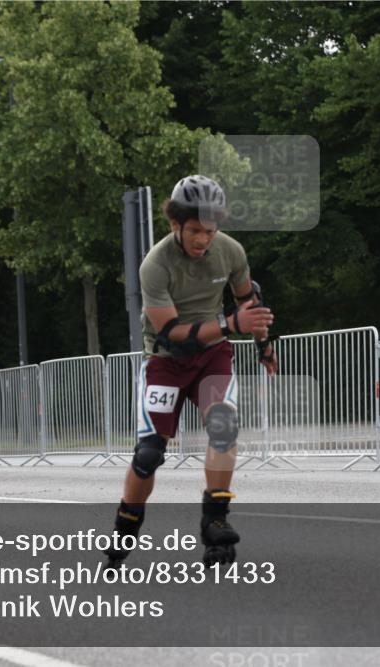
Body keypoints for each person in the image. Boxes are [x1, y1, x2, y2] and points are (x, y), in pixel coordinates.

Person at [104, 175, 279, 568]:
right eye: (196, 230)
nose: (203, 240)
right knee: (149, 454)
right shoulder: (155, 264)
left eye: (210, 231)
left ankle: (215, 522)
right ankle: (126, 525)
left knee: (223, 428)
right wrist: (231, 324)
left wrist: (263, 346)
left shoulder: (230, 252)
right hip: (166, 360)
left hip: (213, 356)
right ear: (175, 224)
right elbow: (172, 334)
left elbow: (249, 302)